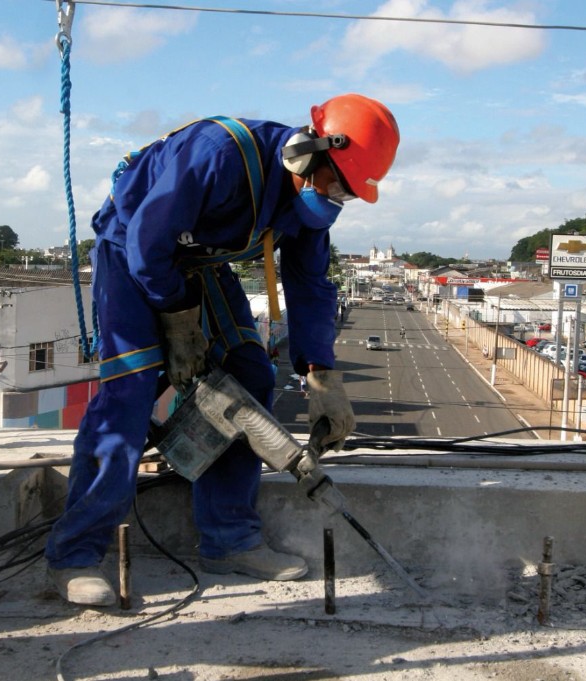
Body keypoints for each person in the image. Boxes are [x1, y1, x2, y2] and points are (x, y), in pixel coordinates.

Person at [44, 94, 400, 605]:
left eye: (346, 193)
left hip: (198, 267)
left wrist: (322, 374)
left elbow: (310, 286)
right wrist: (177, 316)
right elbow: (149, 239)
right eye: (336, 184)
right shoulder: (220, 153)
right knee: (130, 391)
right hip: (131, 252)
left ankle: (229, 540)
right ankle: (76, 552)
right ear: (307, 152)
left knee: (250, 378)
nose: (336, 197)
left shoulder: (306, 208)